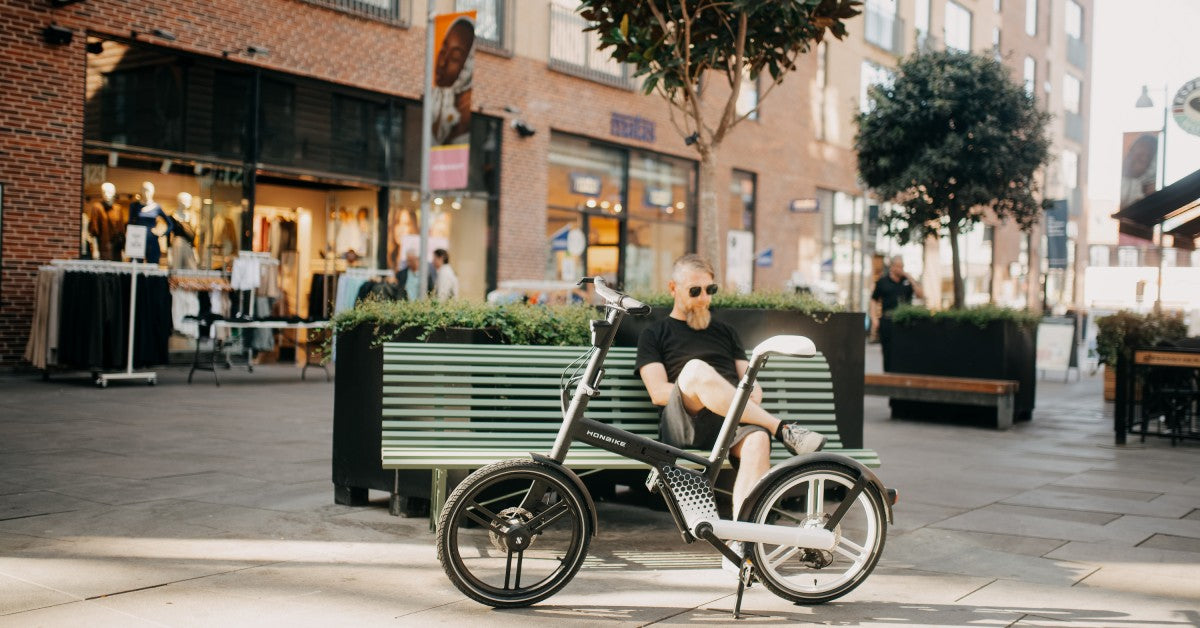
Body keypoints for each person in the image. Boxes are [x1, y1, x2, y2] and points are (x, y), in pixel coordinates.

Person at [634, 254, 827, 526]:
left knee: (758, 440)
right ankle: (781, 428)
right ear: (673, 288)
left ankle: (744, 534)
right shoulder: (655, 334)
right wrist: (704, 390)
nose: (704, 298)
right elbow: (658, 392)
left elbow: (749, 379)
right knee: (695, 370)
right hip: (685, 423)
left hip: (729, 420)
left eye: (710, 289)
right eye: (695, 291)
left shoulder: (725, 332)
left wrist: (753, 391)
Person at [870, 256, 924, 371]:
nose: (901, 269)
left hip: (904, 322)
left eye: (902, 266)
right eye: (898, 266)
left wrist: (911, 279)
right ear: (892, 267)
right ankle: (888, 373)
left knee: (904, 351)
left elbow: (920, 295)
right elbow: (874, 300)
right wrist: (874, 318)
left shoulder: (907, 281)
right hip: (887, 321)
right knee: (887, 350)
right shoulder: (882, 282)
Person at [431, 17, 475, 145]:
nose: (442, 62)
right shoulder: (434, 99)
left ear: (468, 67)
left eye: (455, 57)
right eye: (443, 50)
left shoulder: (466, 119)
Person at [1120, 133, 1158, 209]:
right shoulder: (1115, 181)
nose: (1132, 161)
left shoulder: (1147, 190)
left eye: (1141, 159)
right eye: (1132, 153)